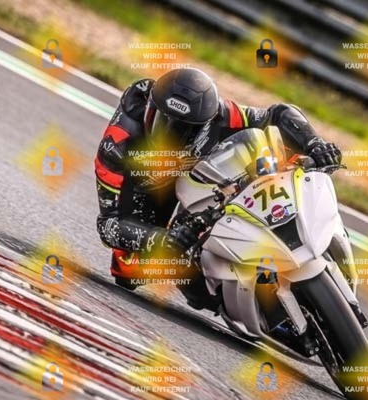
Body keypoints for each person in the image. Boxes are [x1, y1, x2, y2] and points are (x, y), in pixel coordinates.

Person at [94, 68, 341, 309]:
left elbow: (277, 114)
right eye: (162, 122)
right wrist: (161, 238)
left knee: (278, 163)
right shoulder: (116, 148)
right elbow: (108, 225)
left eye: (182, 129)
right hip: (147, 196)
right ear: (149, 110)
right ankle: (231, 294)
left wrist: (314, 144)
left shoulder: (220, 114)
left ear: (206, 123)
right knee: (133, 268)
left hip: (200, 175)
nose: (168, 136)